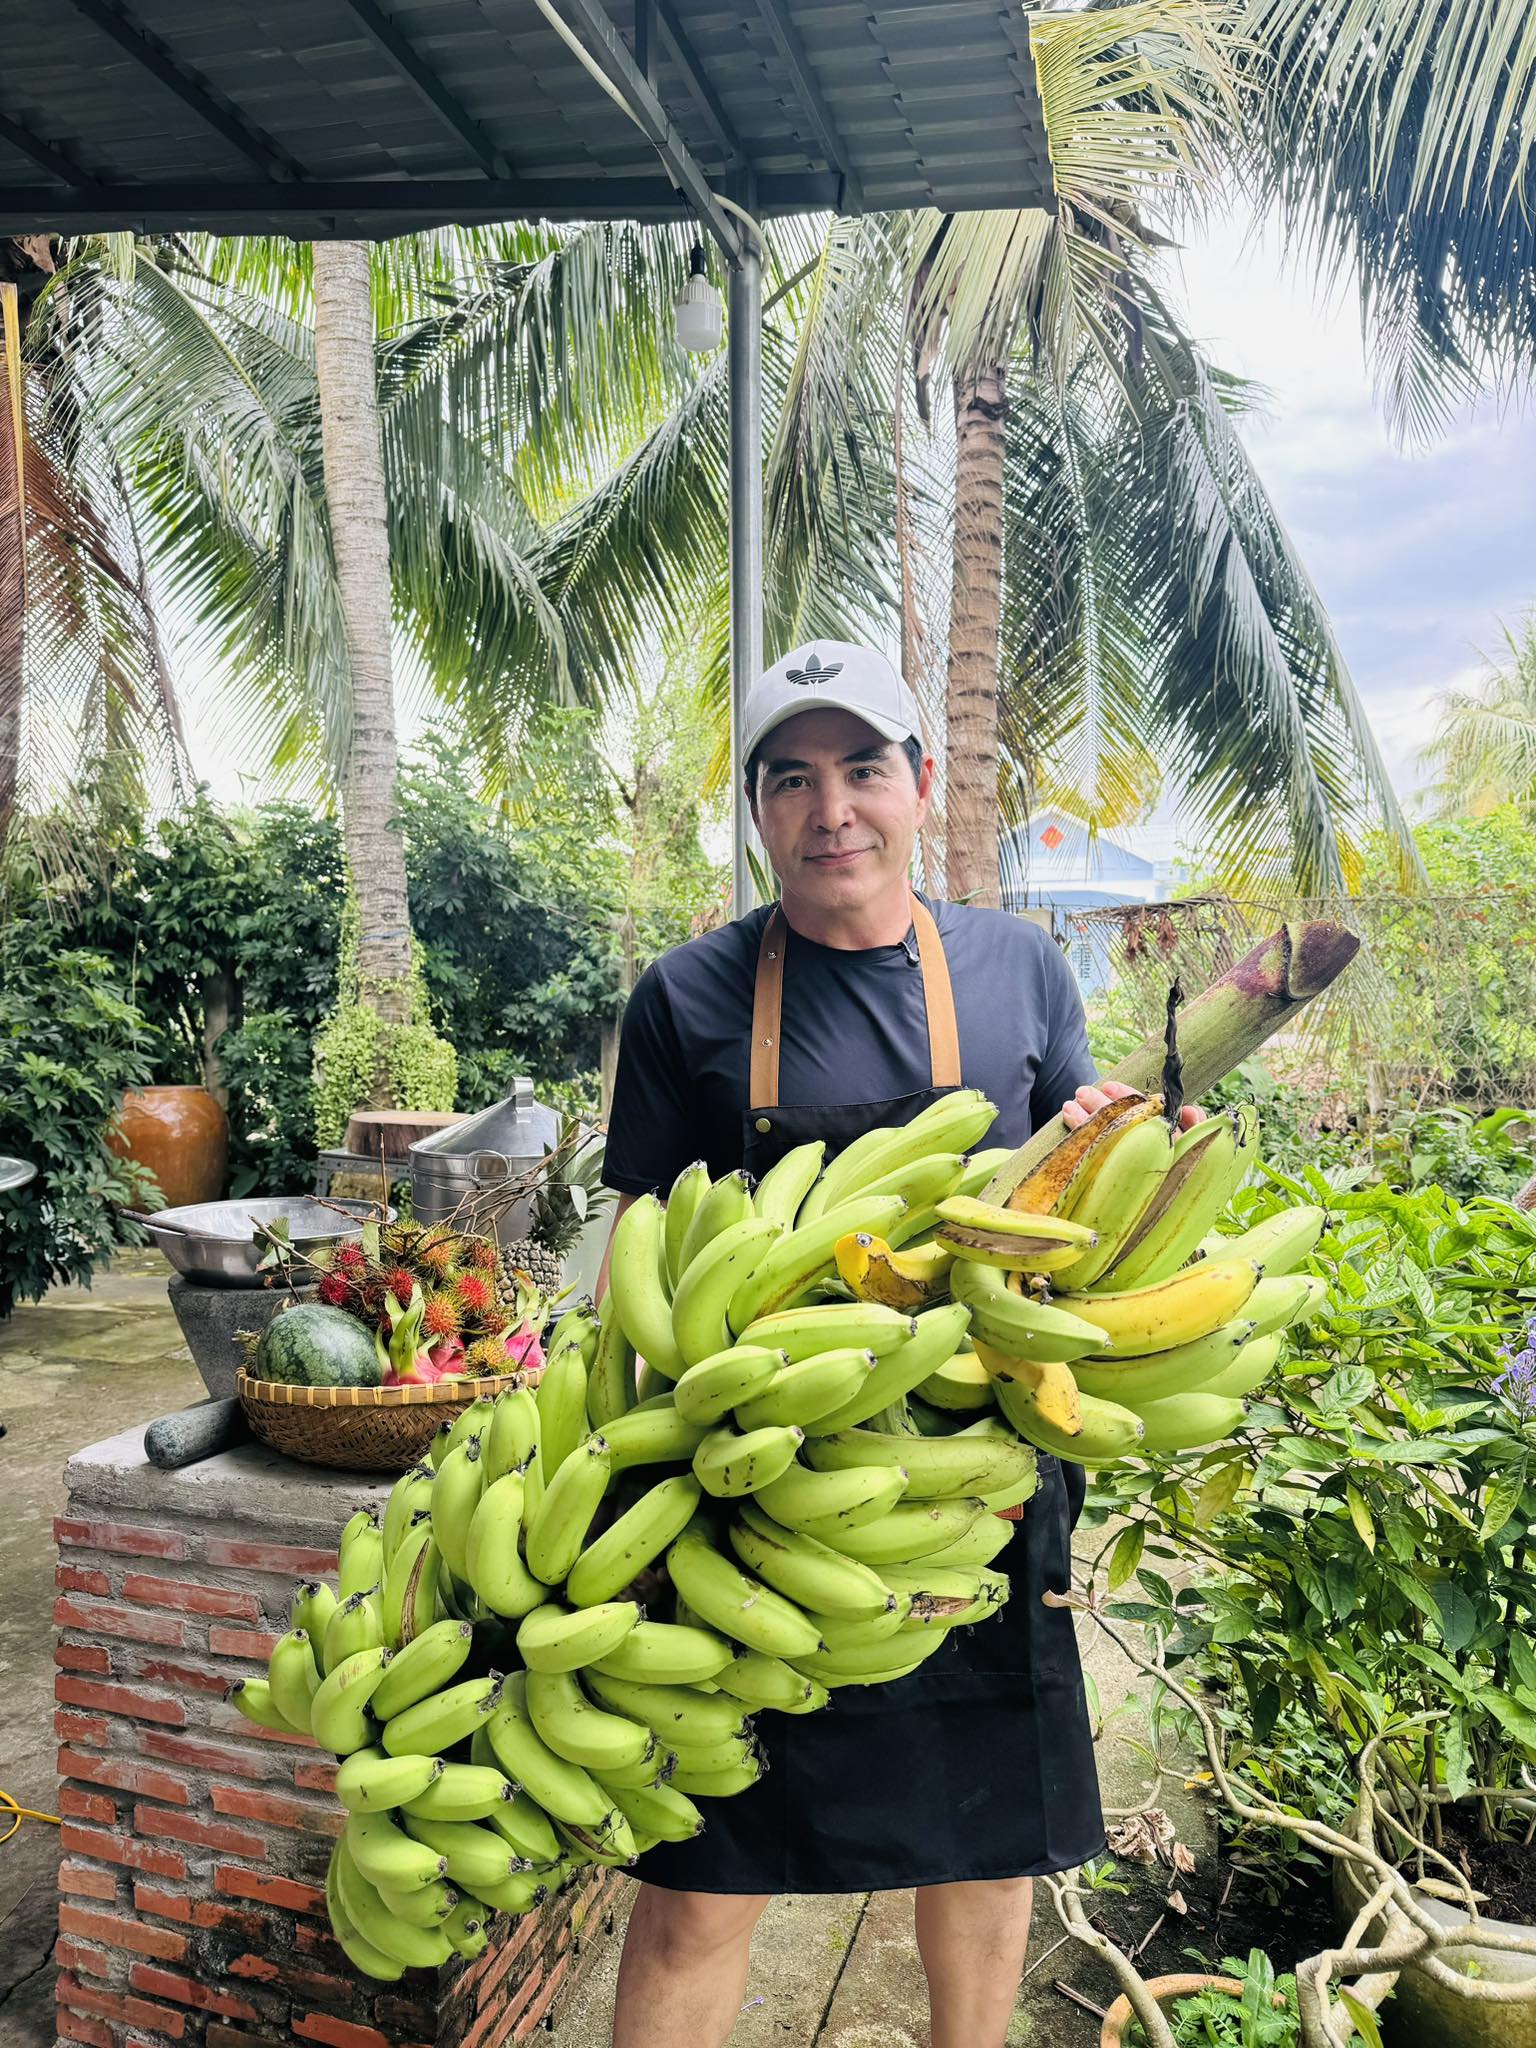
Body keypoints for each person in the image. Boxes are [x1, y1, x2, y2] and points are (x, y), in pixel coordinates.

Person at [597, 642, 1200, 2048]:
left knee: (983, 1852)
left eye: (864, 769)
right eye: (792, 780)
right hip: (757, 1481)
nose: (833, 811)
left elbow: (1065, 1197)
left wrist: (1122, 1153)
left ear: (921, 786)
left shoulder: (1018, 970)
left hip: (971, 1491)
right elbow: (639, 1228)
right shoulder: (685, 996)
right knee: (699, 1880)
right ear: (758, 812)